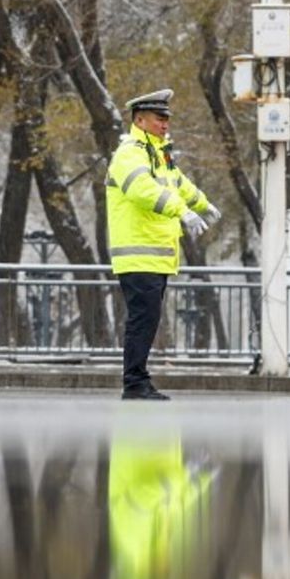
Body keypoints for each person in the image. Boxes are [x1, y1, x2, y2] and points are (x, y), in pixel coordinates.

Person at [106, 89, 220, 400]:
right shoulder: (130, 153)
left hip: (155, 254)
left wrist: (202, 204)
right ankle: (135, 383)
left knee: (148, 320)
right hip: (138, 253)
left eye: (167, 118)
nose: (165, 123)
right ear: (139, 120)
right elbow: (142, 190)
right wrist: (182, 211)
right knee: (142, 321)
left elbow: (178, 183)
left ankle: (138, 380)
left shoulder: (159, 153)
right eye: (159, 118)